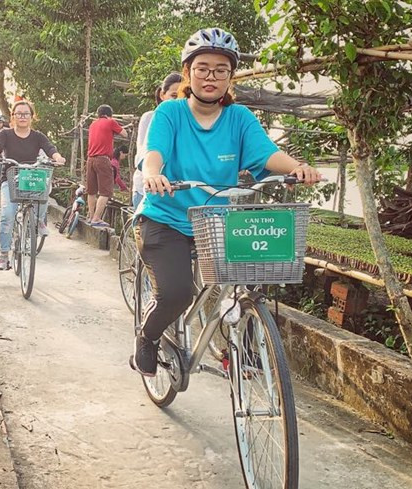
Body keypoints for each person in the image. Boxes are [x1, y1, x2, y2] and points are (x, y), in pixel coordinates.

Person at [130, 28, 322, 376]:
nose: (211, 77)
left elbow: (267, 154)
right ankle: (148, 336)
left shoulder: (240, 118)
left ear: (230, 76)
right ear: (188, 72)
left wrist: (297, 167)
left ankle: (241, 349)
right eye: (202, 68)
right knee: (176, 294)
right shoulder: (170, 113)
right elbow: (155, 151)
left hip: (215, 223)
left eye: (221, 70)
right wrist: (153, 175)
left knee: (250, 278)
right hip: (165, 217)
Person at [0, 100, 66, 270]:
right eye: (19, 113)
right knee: (7, 215)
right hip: (10, 178)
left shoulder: (38, 136)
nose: (22, 117)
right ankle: (4, 254)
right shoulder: (5, 134)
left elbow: (50, 148)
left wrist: (57, 157)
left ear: (32, 116)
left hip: (32, 177)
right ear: (13, 116)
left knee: (45, 190)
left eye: (26, 114)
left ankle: (39, 221)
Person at [132, 72, 182, 209]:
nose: (178, 101)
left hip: (177, 192)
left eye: (183, 96)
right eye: (174, 96)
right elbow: (143, 155)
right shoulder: (151, 117)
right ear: (162, 95)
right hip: (147, 190)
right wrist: (152, 174)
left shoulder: (187, 122)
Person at [86, 104, 127, 227]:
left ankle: (91, 216)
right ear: (109, 115)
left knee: (91, 191)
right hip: (103, 159)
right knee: (105, 192)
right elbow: (125, 134)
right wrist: (117, 127)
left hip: (90, 159)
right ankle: (97, 218)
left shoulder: (93, 124)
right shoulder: (110, 122)